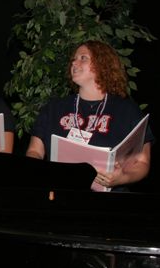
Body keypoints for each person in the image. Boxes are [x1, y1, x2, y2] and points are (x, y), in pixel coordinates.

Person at [26, 40, 154, 190]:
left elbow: (141, 162)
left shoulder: (127, 110)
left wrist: (121, 178)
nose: (74, 63)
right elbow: (34, 151)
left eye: (83, 58)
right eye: (74, 59)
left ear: (102, 64)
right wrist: (39, 174)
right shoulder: (54, 108)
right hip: (60, 197)